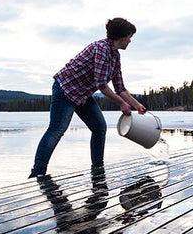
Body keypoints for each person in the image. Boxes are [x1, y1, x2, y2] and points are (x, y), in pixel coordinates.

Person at [29, 17, 146, 178]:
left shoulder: (115, 56)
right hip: (65, 89)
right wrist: (121, 104)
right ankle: (38, 173)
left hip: (82, 94)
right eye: (130, 37)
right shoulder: (102, 49)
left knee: (99, 128)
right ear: (121, 36)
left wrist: (137, 105)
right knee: (57, 129)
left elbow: (120, 88)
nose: (130, 41)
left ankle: (97, 169)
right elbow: (101, 84)